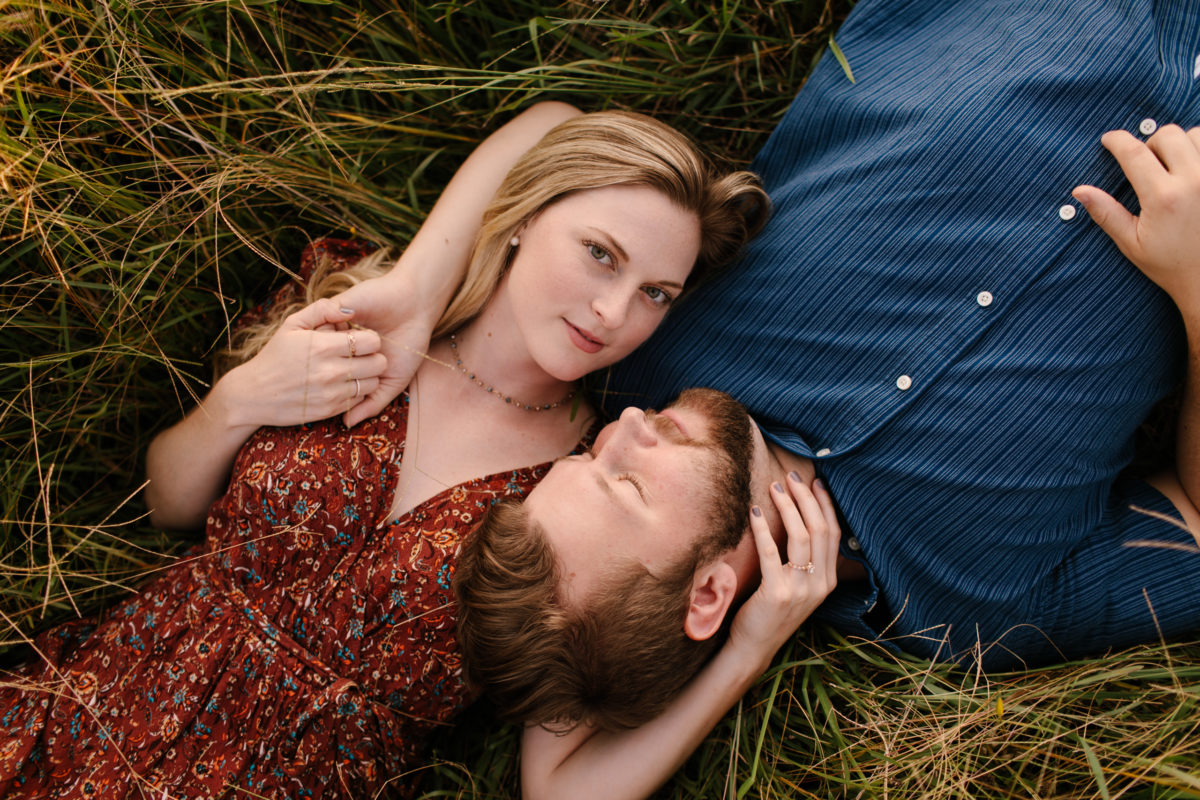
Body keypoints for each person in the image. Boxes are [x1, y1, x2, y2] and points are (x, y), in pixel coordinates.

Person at [0, 105, 770, 797]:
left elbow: (561, 787)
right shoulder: (356, 320)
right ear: (525, 216)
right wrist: (245, 398)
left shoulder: (590, 483)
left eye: (656, 293)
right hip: (94, 710)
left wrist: (750, 648)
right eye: (601, 253)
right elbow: (168, 506)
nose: (613, 312)